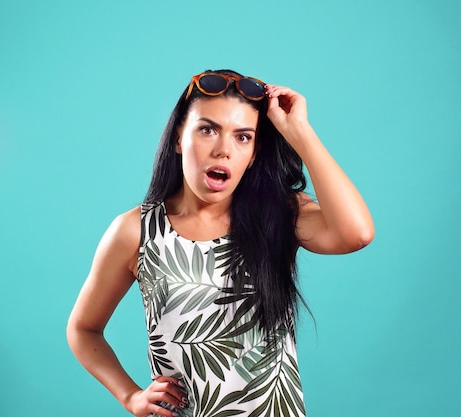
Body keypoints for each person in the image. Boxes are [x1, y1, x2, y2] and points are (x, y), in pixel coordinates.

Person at [67, 69, 374, 417]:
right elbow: (83, 329)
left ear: (254, 152)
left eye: (243, 137)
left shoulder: (280, 215)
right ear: (179, 137)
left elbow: (356, 233)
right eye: (207, 129)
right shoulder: (136, 231)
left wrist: (299, 132)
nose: (223, 149)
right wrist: (130, 396)